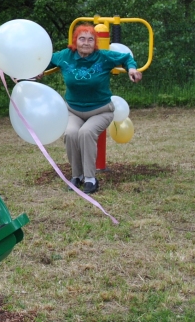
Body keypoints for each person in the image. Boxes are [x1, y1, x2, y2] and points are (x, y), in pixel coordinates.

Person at [45, 23, 142, 194]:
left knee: (86, 133)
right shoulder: (66, 56)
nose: (86, 43)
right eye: (82, 39)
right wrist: (37, 72)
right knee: (71, 134)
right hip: (73, 110)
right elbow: (46, 60)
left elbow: (126, 57)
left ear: (95, 43)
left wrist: (132, 69)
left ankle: (90, 178)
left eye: (91, 39)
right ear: (75, 41)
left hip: (101, 110)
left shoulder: (103, 57)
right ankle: (77, 176)